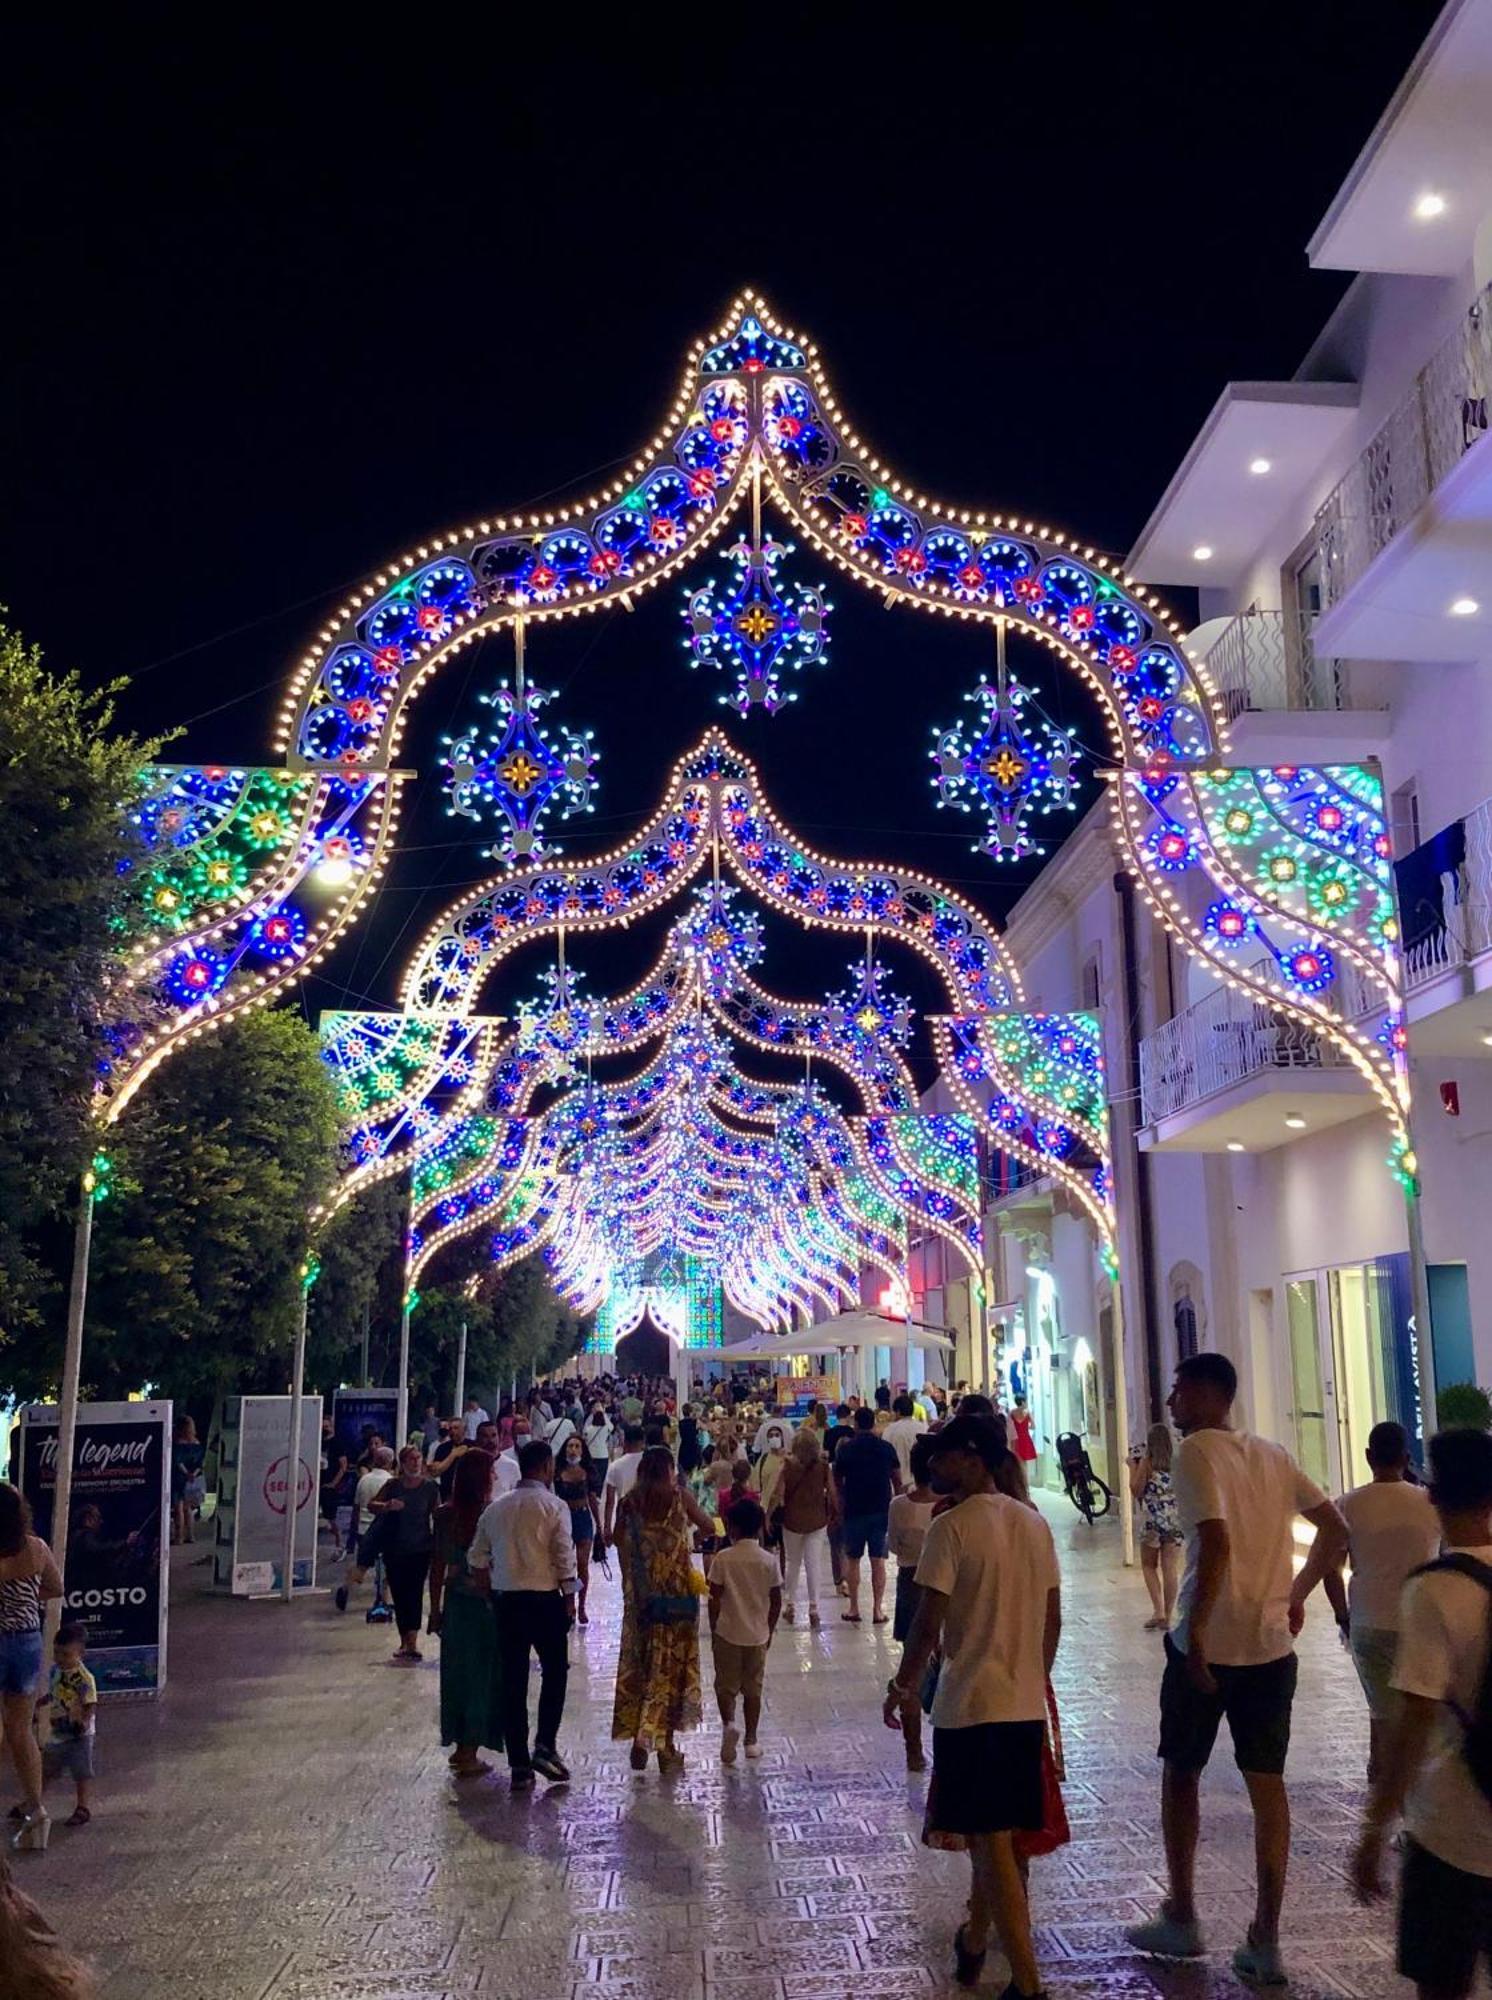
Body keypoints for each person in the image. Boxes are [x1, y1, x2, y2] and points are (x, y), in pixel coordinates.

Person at [1125, 1352, 1347, 1987]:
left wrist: (1194, 1634)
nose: (1171, 1403)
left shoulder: (1197, 1453)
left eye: (1177, 1391)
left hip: (1209, 1645)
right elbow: (1334, 1526)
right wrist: (1296, 1594)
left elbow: (1215, 1541)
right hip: (1271, 1646)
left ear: (1204, 1394)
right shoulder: (1272, 1453)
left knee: (1182, 1773)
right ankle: (1266, 1936)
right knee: (1267, 1785)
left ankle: (1184, 1911)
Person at [883, 1414, 1061, 1996]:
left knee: (991, 1841)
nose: (933, 1464)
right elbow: (1051, 1618)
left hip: (972, 1703)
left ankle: (1028, 1984)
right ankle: (976, 1936)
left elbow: (928, 1620)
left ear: (975, 1458)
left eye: (946, 1455)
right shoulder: (1033, 1524)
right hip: (1021, 1702)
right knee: (999, 1837)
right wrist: (1033, 1676)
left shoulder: (952, 1528)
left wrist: (904, 1684)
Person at [1351, 1426, 1492, 2000]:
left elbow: (1412, 1726)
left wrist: (1374, 1828)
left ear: (1432, 1494)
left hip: (1451, 1831)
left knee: (1442, 1985)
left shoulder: (1433, 1592)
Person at [1326, 1419, 1439, 1781]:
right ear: (1407, 1458)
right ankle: (1403, 1802)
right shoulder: (1431, 1504)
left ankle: (1383, 1789)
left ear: (1368, 1456)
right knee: (1413, 1716)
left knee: (1382, 1714)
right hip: (1418, 1622)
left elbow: (1332, 1570)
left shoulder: (1346, 1504)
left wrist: (1342, 1617)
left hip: (1369, 1622)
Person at [469, 1439, 576, 1791]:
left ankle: (518, 1762)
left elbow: (477, 1557)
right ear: (546, 1467)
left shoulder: (497, 1508)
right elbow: (564, 1556)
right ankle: (545, 1744)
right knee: (555, 1672)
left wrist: (488, 1590)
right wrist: (570, 1597)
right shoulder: (554, 1506)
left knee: (513, 1679)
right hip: (545, 1600)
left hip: (508, 1602)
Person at [612, 1447, 715, 1773]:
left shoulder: (630, 1503)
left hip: (642, 1598)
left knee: (642, 1664)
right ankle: (663, 1746)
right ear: (669, 1469)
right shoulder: (679, 1498)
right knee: (670, 1669)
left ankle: (638, 1737)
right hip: (676, 1595)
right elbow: (709, 1526)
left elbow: (617, 1538)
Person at [428, 1449, 503, 1780]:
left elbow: (437, 1565)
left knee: (457, 1674)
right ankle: (469, 1748)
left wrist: (434, 1609)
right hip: (484, 1606)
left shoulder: (445, 1515)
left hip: (455, 1603)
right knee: (481, 1676)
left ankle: (461, 1743)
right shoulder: (491, 1514)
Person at [0, 1483, 62, 1853]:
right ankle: (36, 1809)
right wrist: (25, 1598)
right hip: (27, 1642)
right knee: (21, 1730)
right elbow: (55, 1587)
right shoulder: (36, 1548)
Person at [709, 1498, 781, 1765]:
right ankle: (752, 1740)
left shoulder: (722, 1559)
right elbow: (776, 1600)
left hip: (727, 1632)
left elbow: (714, 1597)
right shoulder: (769, 1560)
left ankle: (729, 1725)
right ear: (760, 1527)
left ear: (732, 1528)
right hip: (757, 1634)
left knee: (725, 1686)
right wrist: (770, 1629)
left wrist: (715, 1626)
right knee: (754, 1688)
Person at [887, 1433, 939, 1772]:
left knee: (913, 1660)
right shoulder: (949, 1508)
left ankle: (913, 1749)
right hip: (941, 1584)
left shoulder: (899, 1505)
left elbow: (893, 1546)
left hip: (910, 1584)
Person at [370, 1445, 440, 1663]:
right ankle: (403, 1640)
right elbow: (372, 1504)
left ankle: (412, 1641)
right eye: (411, 1459)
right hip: (395, 1548)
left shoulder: (429, 1488)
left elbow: (436, 1515)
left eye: (418, 1458)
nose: (415, 1463)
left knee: (415, 1593)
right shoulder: (393, 1485)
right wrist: (387, 1506)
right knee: (399, 1595)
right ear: (402, 1462)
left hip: (420, 1549)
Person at [833, 1406, 901, 1624]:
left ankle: (854, 1608)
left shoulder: (846, 1450)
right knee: (878, 1560)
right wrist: (898, 1502)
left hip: (854, 1509)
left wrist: (840, 1503)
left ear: (855, 1424)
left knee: (853, 1559)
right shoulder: (886, 1448)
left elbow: (836, 1480)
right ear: (873, 1424)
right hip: (881, 1509)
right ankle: (877, 1609)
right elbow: (897, 1479)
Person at [37, 1624, 96, 1828]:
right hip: (58, 1730)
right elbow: (54, 1692)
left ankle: (83, 1806)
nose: (60, 1658)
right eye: (57, 1653)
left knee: (81, 1770)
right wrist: (43, 1702)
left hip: (78, 1733)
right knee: (46, 1767)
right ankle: (34, 1802)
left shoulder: (84, 1679)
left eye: (66, 1654)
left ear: (80, 1653)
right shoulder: (56, 1671)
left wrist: (84, 1723)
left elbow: (90, 1703)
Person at [1129, 1422, 1184, 1631]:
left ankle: (1158, 1609)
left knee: (1148, 1565)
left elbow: (1135, 1489)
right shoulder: (1177, 1463)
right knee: (1170, 1568)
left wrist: (1132, 1467)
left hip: (1152, 1521)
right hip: (1173, 1520)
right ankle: (1169, 1616)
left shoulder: (1147, 1463)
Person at [779, 1427, 832, 1627]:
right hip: (816, 1519)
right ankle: (814, 1607)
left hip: (792, 1520)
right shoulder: (823, 1467)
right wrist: (834, 1514)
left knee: (793, 1562)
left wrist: (768, 1515)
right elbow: (833, 1494)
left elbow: (778, 1493)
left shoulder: (787, 1467)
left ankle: (789, 1604)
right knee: (813, 1563)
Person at [334, 1444, 397, 1613]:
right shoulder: (390, 1482)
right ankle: (384, 1600)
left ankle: (346, 1586)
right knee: (388, 1565)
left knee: (362, 1565)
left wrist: (353, 1532)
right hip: (383, 1530)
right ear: (390, 1462)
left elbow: (356, 1507)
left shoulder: (364, 1480)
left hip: (363, 1529)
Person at [555, 1434, 602, 1625]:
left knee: (582, 1563)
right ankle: (569, 1603)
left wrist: (599, 1525)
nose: (573, 1449)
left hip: (582, 1518)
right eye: (570, 1446)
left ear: (582, 1450)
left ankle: (581, 1604)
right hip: (564, 1519)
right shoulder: (557, 1472)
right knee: (567, 1565)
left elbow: (592, 1499)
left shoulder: (588, 1472)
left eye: (577, 1446)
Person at [602, 1426, 646, 1546]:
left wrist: (607, 1527)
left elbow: (610, 1501)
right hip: (648, 1517)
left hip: (624, 1518)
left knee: (626, 1560)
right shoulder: (650, 1461)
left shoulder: (615, 1466)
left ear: (625, 1442)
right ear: (643, 1441)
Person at [170, 1415, 206, 1548]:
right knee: (189, 1508)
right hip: (193, 1479)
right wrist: (193, 1474)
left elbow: (177, 1461)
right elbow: (200, 1463)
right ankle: (190, 1535)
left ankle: (179, 1537)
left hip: (179, 1478)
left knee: (178, 1508)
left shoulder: (178, 1443)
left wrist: (186, 1473)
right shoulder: (197, 1443)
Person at [884, 1393, 928, 1490]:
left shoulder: (890, 1430)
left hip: (898, 1483)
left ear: (898, 1412)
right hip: (921, 1483)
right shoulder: (924, 1428)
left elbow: (886, 1457)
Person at [1010, 1398, 1038, 1471]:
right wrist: (1025, 1426)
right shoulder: (1027, 1412)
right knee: (1024, 1462)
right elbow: (1033, 1426)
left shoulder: (1012, 1412)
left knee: (1017, 1460)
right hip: (1025, 1438)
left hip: (1015, 1438)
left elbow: (1010, 1425)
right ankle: (1025, 1479)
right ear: (1022, 1402)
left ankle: (1019, 1478)